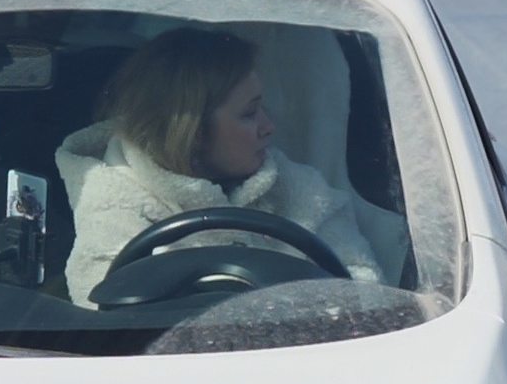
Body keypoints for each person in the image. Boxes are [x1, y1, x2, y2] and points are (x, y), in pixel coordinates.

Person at [56, 27, 381, 304]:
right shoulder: (113, 200)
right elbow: (104, 321)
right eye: (249, 113)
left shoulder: (298, 188)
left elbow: (363, 292)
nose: (269, 126)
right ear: (194, 132)